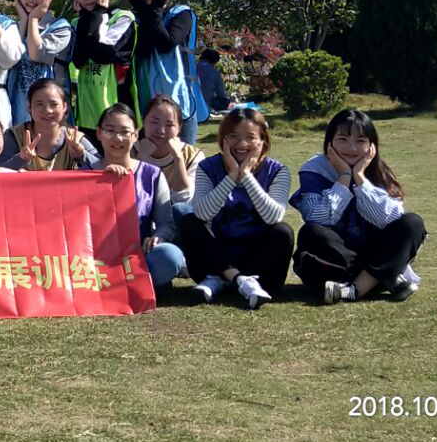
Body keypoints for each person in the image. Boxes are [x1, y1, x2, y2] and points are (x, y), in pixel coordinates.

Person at [292, 109, 426, 303]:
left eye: (361, 141)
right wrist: (344, 177)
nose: (352, 148)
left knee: (412, 223)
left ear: (371, 145)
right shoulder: (314, 169)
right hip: (336, 262)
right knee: (311, 232)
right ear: (330, 142)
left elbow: (390, 220)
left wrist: (360, 178)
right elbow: (320, 218)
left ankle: (355, 289)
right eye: (343, 139)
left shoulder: (379, 171)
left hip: (375, 255)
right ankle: (382, 277)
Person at [181, 106, 293, 309]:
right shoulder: (208, 167)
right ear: (223, 139)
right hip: (217, 256)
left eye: (250, 137)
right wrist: (232, 176)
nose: (241, 144)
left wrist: (247, 176)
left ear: (262, 140)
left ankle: (229, 279)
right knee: (190, 221)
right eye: (233, 136)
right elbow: (202, 213)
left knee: (283, 231)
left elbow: (273, 216)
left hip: (259, 262)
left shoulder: (278, 171)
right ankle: (235, 279)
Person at [96, 103, 189, 292]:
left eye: (125, 132)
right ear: (99, 133)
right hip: (94, 255)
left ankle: (139, 282)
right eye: (110, 131)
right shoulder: (84, 174)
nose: (117, 138)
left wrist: (158, 237)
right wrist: (101, 181)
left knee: (169, 255)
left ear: (135, 135)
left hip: (137, 254)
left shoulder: (152, 174)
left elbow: (166, 223)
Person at [128, 0, 208, 144]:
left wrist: (155, 8)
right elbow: (143, 49)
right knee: (147, 160)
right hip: (146, 104)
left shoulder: (181, 14)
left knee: (183, 158)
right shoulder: (131, 20)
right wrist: (144, 11)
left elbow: (166, 44)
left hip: (180, 102)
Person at [66, 0, 137, 142]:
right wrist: (89, 19)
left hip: (116, 102)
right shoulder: (77, 23)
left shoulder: (122, 17)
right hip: (86, 110)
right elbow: (78, 59)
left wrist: (96, 14)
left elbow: (104, 54)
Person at [132, 95, 202, 252]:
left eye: (169, 125)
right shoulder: (130, 151)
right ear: (143, 121)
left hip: (177, 227)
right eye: (154, 122)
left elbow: (184, 200)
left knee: (180, 209)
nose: (161, 131)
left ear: (179, 128)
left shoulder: (192, 155)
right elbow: (126, 197)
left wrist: (178, 159)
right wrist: (142, 160)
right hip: (138, 224)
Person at [4, 0, 72, 126]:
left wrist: (33, 19)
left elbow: (36, 53)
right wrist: (24, 21)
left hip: (49, 111)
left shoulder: (60, 27)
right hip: (16, 111)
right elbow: (10, 56)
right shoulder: (12, 28)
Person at [3, 78, 100, 172]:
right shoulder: (15, 136)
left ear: (64, 107)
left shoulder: (75, 139)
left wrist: (82, 155)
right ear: (29, 107)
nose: (47, 110)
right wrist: (20, 159)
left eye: (53, 104)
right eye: (40, 104)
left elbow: (103, 167)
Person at [196, 49, 234, 114]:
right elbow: (221, 93)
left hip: (191, 101)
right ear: (214, 61)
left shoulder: (191, 69)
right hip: (206, 103)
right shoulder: (214, 72)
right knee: (225, 101)